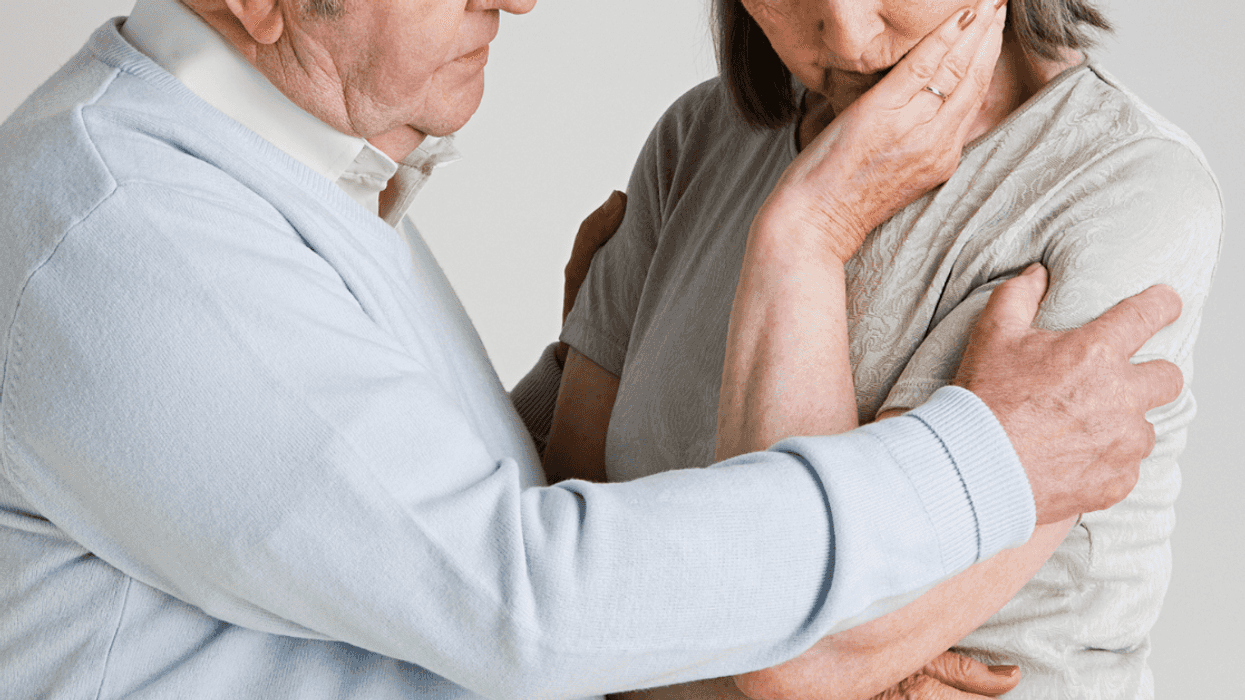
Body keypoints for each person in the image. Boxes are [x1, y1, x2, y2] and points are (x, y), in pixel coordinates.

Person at [0, 0, 1184, 698]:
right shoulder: (130, 230)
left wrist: (566, 386)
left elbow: (397, 515)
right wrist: (984, 463)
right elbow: (530, 594)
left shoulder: (269, 177)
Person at [547, 0, 1223, 698]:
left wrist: (807, 236)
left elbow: (792, 646)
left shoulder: (1121, 186)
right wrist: (805, 223)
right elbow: (563, 566)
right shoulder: (697, 137)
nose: (845, 33)